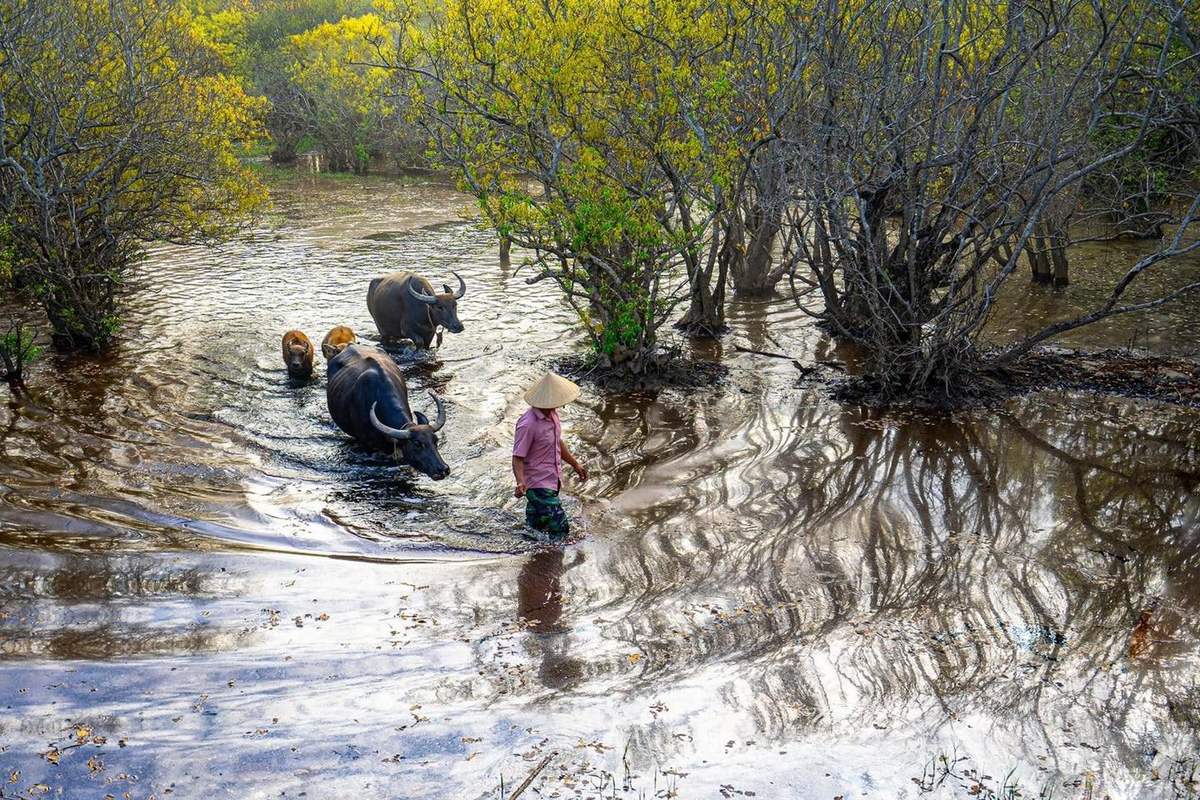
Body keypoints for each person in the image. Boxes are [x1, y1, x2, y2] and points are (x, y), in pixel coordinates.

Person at [513, 372, 588, 541]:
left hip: (553, 479)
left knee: (535, 527)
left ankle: (533, 558)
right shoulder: (528, 424)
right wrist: (520, 481)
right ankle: (554, 562)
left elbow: (557, 442)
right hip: (538, 484)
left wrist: (575, 464)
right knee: (561, 528)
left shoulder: (553, 415)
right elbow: (517, 456)